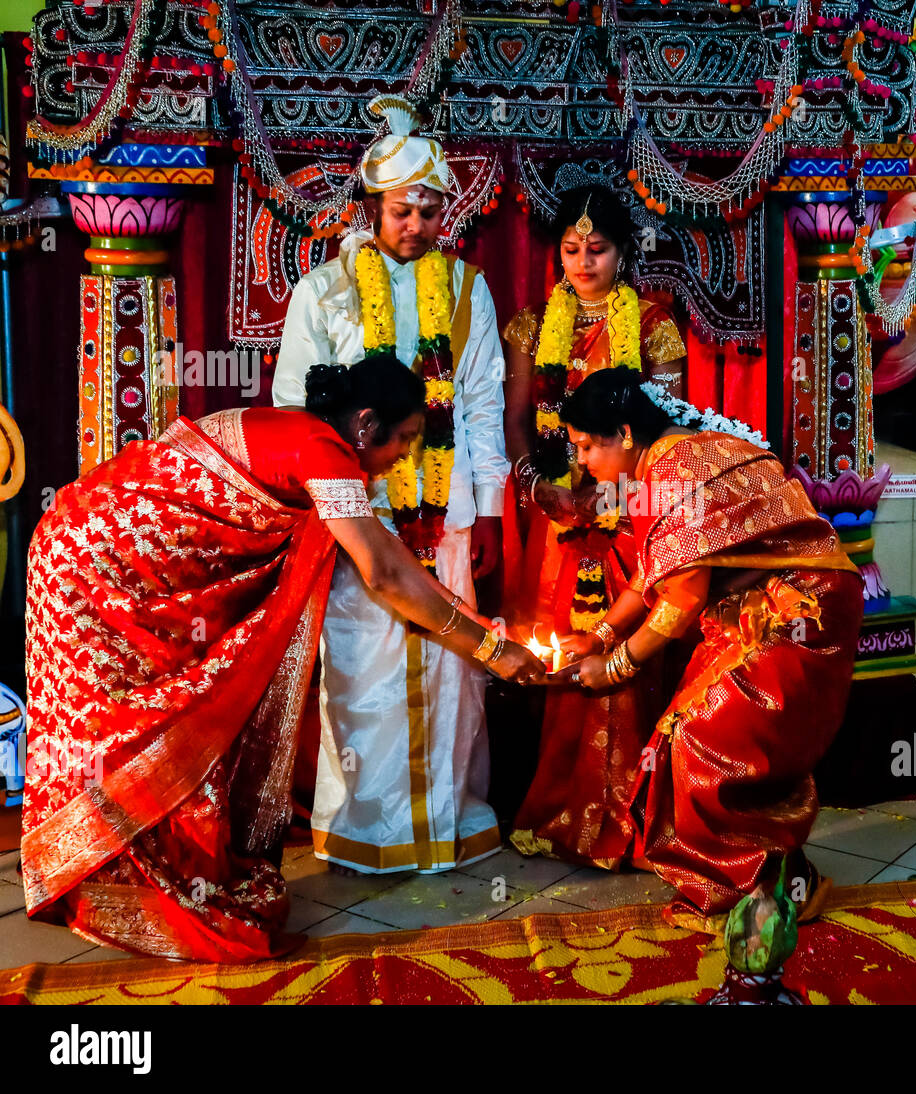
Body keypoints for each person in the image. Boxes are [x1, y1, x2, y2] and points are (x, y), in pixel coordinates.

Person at [20, 358, 545, 961]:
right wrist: (489, 649)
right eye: (403, 439)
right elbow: (386, 574)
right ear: (366, 423)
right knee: (132, 722)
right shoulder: (324, 451)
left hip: (82, 544)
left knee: (127, 720)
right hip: (98, 568)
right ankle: (113, 881)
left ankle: (101, 874)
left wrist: (481, 631)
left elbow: (390, 562)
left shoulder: (302, 434)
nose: (403, 456)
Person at [274, 94, 512, 875]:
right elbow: (292, 410)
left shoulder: (470, 290)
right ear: (372, 206)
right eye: (401, 209)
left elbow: (478, 407)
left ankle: (448, 821)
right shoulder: (325, 291)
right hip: (356, 516)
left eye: (430, 210)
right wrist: (338, 503)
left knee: (452, 668)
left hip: (443, 514)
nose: (416, 224)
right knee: (361, 667)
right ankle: (367, 830)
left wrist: (479, 518)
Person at [555, 369, 862, 919]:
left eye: (584, 446)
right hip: (758, 607)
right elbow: (654, 577)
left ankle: (760, 886)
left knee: (706, 740)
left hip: (802, 609)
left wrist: (616, 665)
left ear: (625, 433)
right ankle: (761, 879)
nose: (582, 464)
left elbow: (682, 598)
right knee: (682, 732)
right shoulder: (662, 464)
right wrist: (599, 634)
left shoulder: (671, 471)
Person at [501, 185, 687, 867]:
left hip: (631, 509)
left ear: (624, 252)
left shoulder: (655, 322)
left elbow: (667, 427)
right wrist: (541, 486)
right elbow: (517, 422)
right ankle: (560, 804)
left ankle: (635, 815)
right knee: (561, 643)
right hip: (556, 516)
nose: (583, 262)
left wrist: (619, 492)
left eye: (598, 249)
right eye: (572, 249)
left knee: (634, 641)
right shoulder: (529, 324)